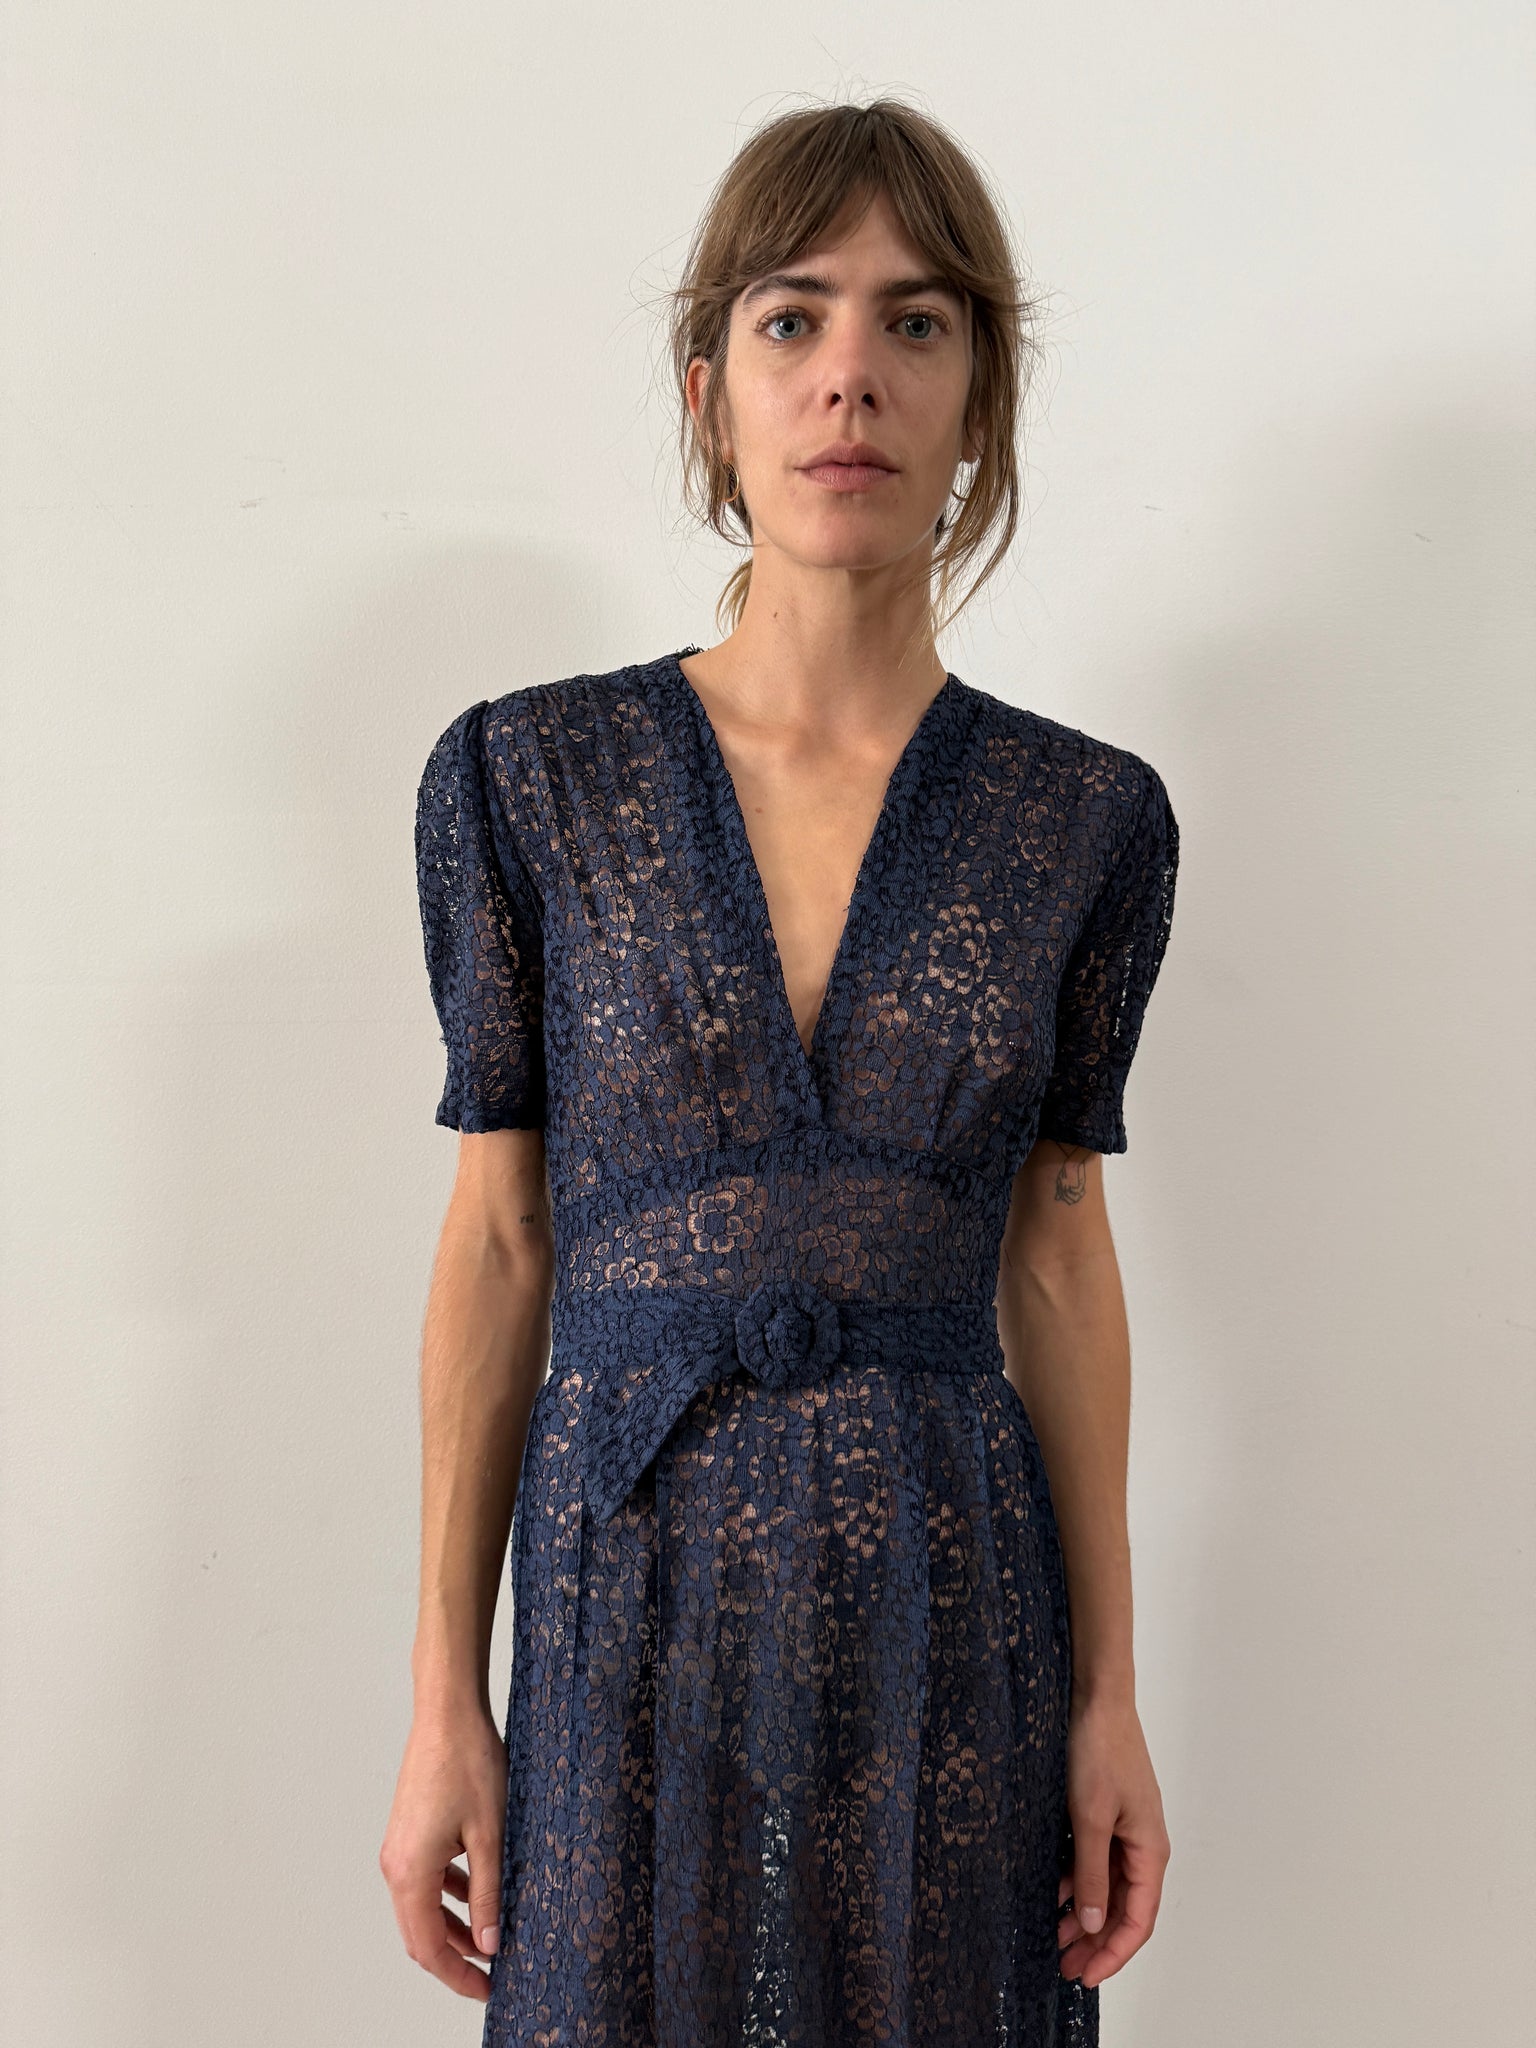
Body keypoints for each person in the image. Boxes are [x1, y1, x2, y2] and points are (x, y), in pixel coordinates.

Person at [381, 96, 1180, 2047]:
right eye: (792, 317)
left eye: (917, 323)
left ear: (980, 398)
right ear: (711, 388)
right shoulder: (529, 779)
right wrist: (441, 1700)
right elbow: (500, 1242)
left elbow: (1059, 1248)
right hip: (620, 1596)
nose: (850, 377)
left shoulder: (1083, 819)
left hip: (952, 1599)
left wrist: (1111, 1695)